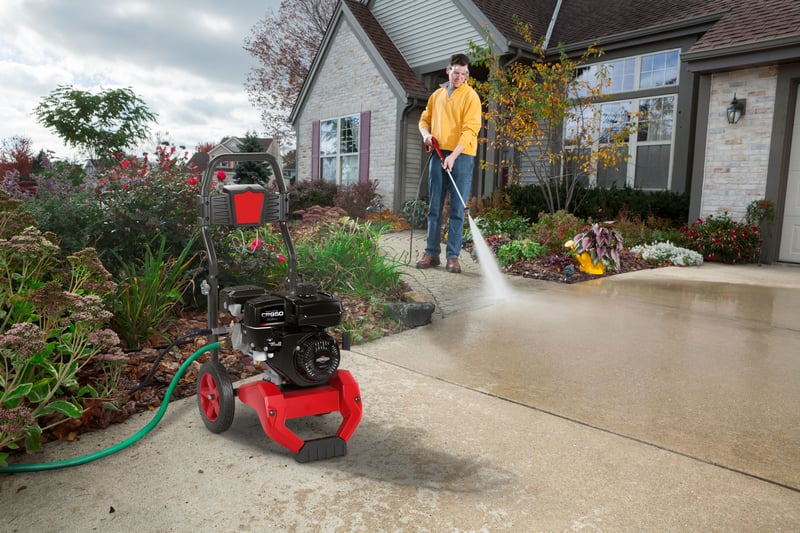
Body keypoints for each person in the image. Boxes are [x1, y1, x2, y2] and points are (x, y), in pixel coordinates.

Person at [417, 53, 482, 274]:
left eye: (464, 74)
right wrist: (426, 135)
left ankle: (453, 257)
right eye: (456, 72)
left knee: (457, 208)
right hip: (438, 152)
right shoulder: (436, 96)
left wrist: (453, 157)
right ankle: (431, 253)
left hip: (462, 156)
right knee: (434, 206)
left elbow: (471, 130)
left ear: (467, 74)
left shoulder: (471, 97)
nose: (459, 77)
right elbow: (424, 121)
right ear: (449, 70)